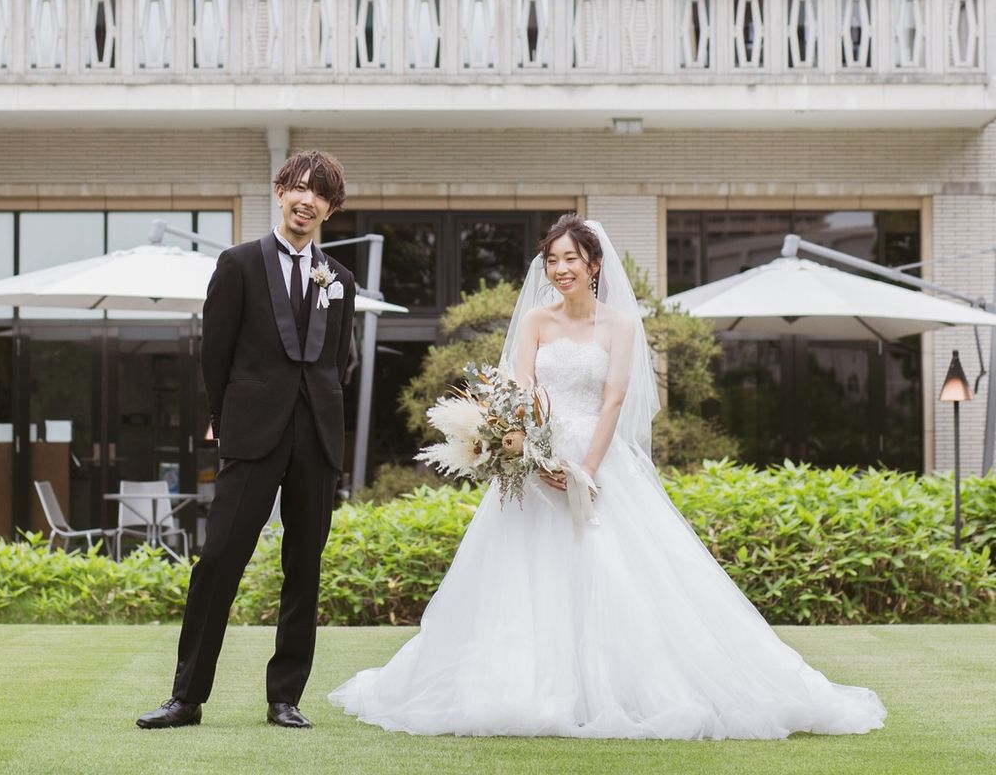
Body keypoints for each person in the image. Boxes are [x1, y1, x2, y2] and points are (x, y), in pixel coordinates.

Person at [330, 214, 886, 739]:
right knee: (520, 576)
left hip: (597, 457)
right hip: (534, 463)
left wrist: (585, 471)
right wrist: (532, 455)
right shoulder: (535, 320)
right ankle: (520, 683)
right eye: (552, 260)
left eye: (571, 259)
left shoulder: (620, 324)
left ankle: (624, 685)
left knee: (617, 572)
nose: (560, 269)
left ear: (594, 264)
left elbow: (615, 399)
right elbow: (519, 393)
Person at [138, 149, 356, 731]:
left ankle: (285, 697)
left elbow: (338, 360)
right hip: (251, 436)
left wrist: (320, 413)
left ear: (330, 209)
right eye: (299, 188)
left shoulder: (340, 279)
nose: (307, 200)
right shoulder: (236, 264)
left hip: (317, 439)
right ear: (281, 191)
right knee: (218, 561)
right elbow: (215, 354)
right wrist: (226, 421)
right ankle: (186, 697)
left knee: (304, 569)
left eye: (320, 194)